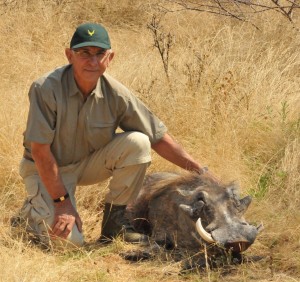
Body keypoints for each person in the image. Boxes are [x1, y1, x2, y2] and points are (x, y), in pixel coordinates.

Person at [16, 23, 218, 248]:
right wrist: (63, 204)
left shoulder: (117, 94)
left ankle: (115, 226)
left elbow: (158, 137)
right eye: (84, 53)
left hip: (85, 164)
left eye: (99, 54)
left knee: (139, 143)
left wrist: (201, 172)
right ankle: (29, 215)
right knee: (68, 244)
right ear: (69, 55)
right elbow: (40, 152)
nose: (93, 62)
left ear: (110, 57)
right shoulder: (45, 88)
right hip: (44, 169)